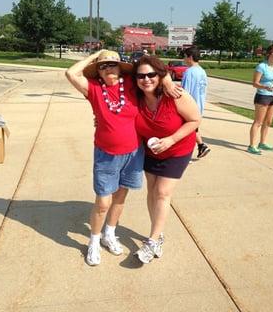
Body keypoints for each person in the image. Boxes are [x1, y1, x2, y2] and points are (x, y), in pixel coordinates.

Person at [65, 50, 180, 266]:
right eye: (103, 66)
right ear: (97, 72)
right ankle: (94, 242)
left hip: (134, 153)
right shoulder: (94, 89)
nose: (108, 68)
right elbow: (71, 73)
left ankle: (110, 234)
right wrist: (96, 55)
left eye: (112, 64)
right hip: (107, 155)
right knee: (103, 203)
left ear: (121, 68)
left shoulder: (130, 83)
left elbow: (152, 69)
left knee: (120, 198)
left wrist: (168, 81)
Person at [133, 55, 201, 263]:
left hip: (177, 149)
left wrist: (171, 140)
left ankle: (152, 240)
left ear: (160, 75)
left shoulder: (175, 95)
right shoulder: (136, 96)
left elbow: (195, 119)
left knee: (162, 193)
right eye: (141, 76)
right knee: (152, 191)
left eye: (151, 74)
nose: (146, 79)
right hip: (151, 150)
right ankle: (158, 233)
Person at [248, 44, 273, 154]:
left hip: (272, 97)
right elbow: (255, 83)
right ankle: (252, 145)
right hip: (262, 96)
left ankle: (262, 143)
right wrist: (264, 87)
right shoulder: (262, 66)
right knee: (258, 122)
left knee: (268, 121)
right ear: (269, 53)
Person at [181, 47, 210, 158]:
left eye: (185, 57)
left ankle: (187, 154)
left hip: (189, 106)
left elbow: (185, 92)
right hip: (199, 105)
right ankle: (202, 146)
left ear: (190, 57)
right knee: (193, 128)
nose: (183, 59)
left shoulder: (189, 72)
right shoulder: (202, 71)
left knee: (187, 131)